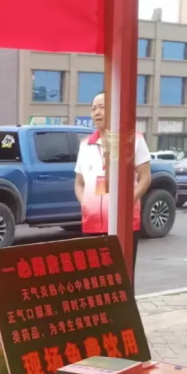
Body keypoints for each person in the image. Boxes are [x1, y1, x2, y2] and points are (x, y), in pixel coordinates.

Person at [74, 91, 151, 278]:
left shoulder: (134, 139)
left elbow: (145, 178)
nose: (97, 112)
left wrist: (126, 204)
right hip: (91, 224)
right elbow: (79, 183)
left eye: (102, 107)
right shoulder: (85, 145)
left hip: (124, 224)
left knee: (122, 277)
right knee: (95, 279)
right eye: (93, 109)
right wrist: (85, 203)